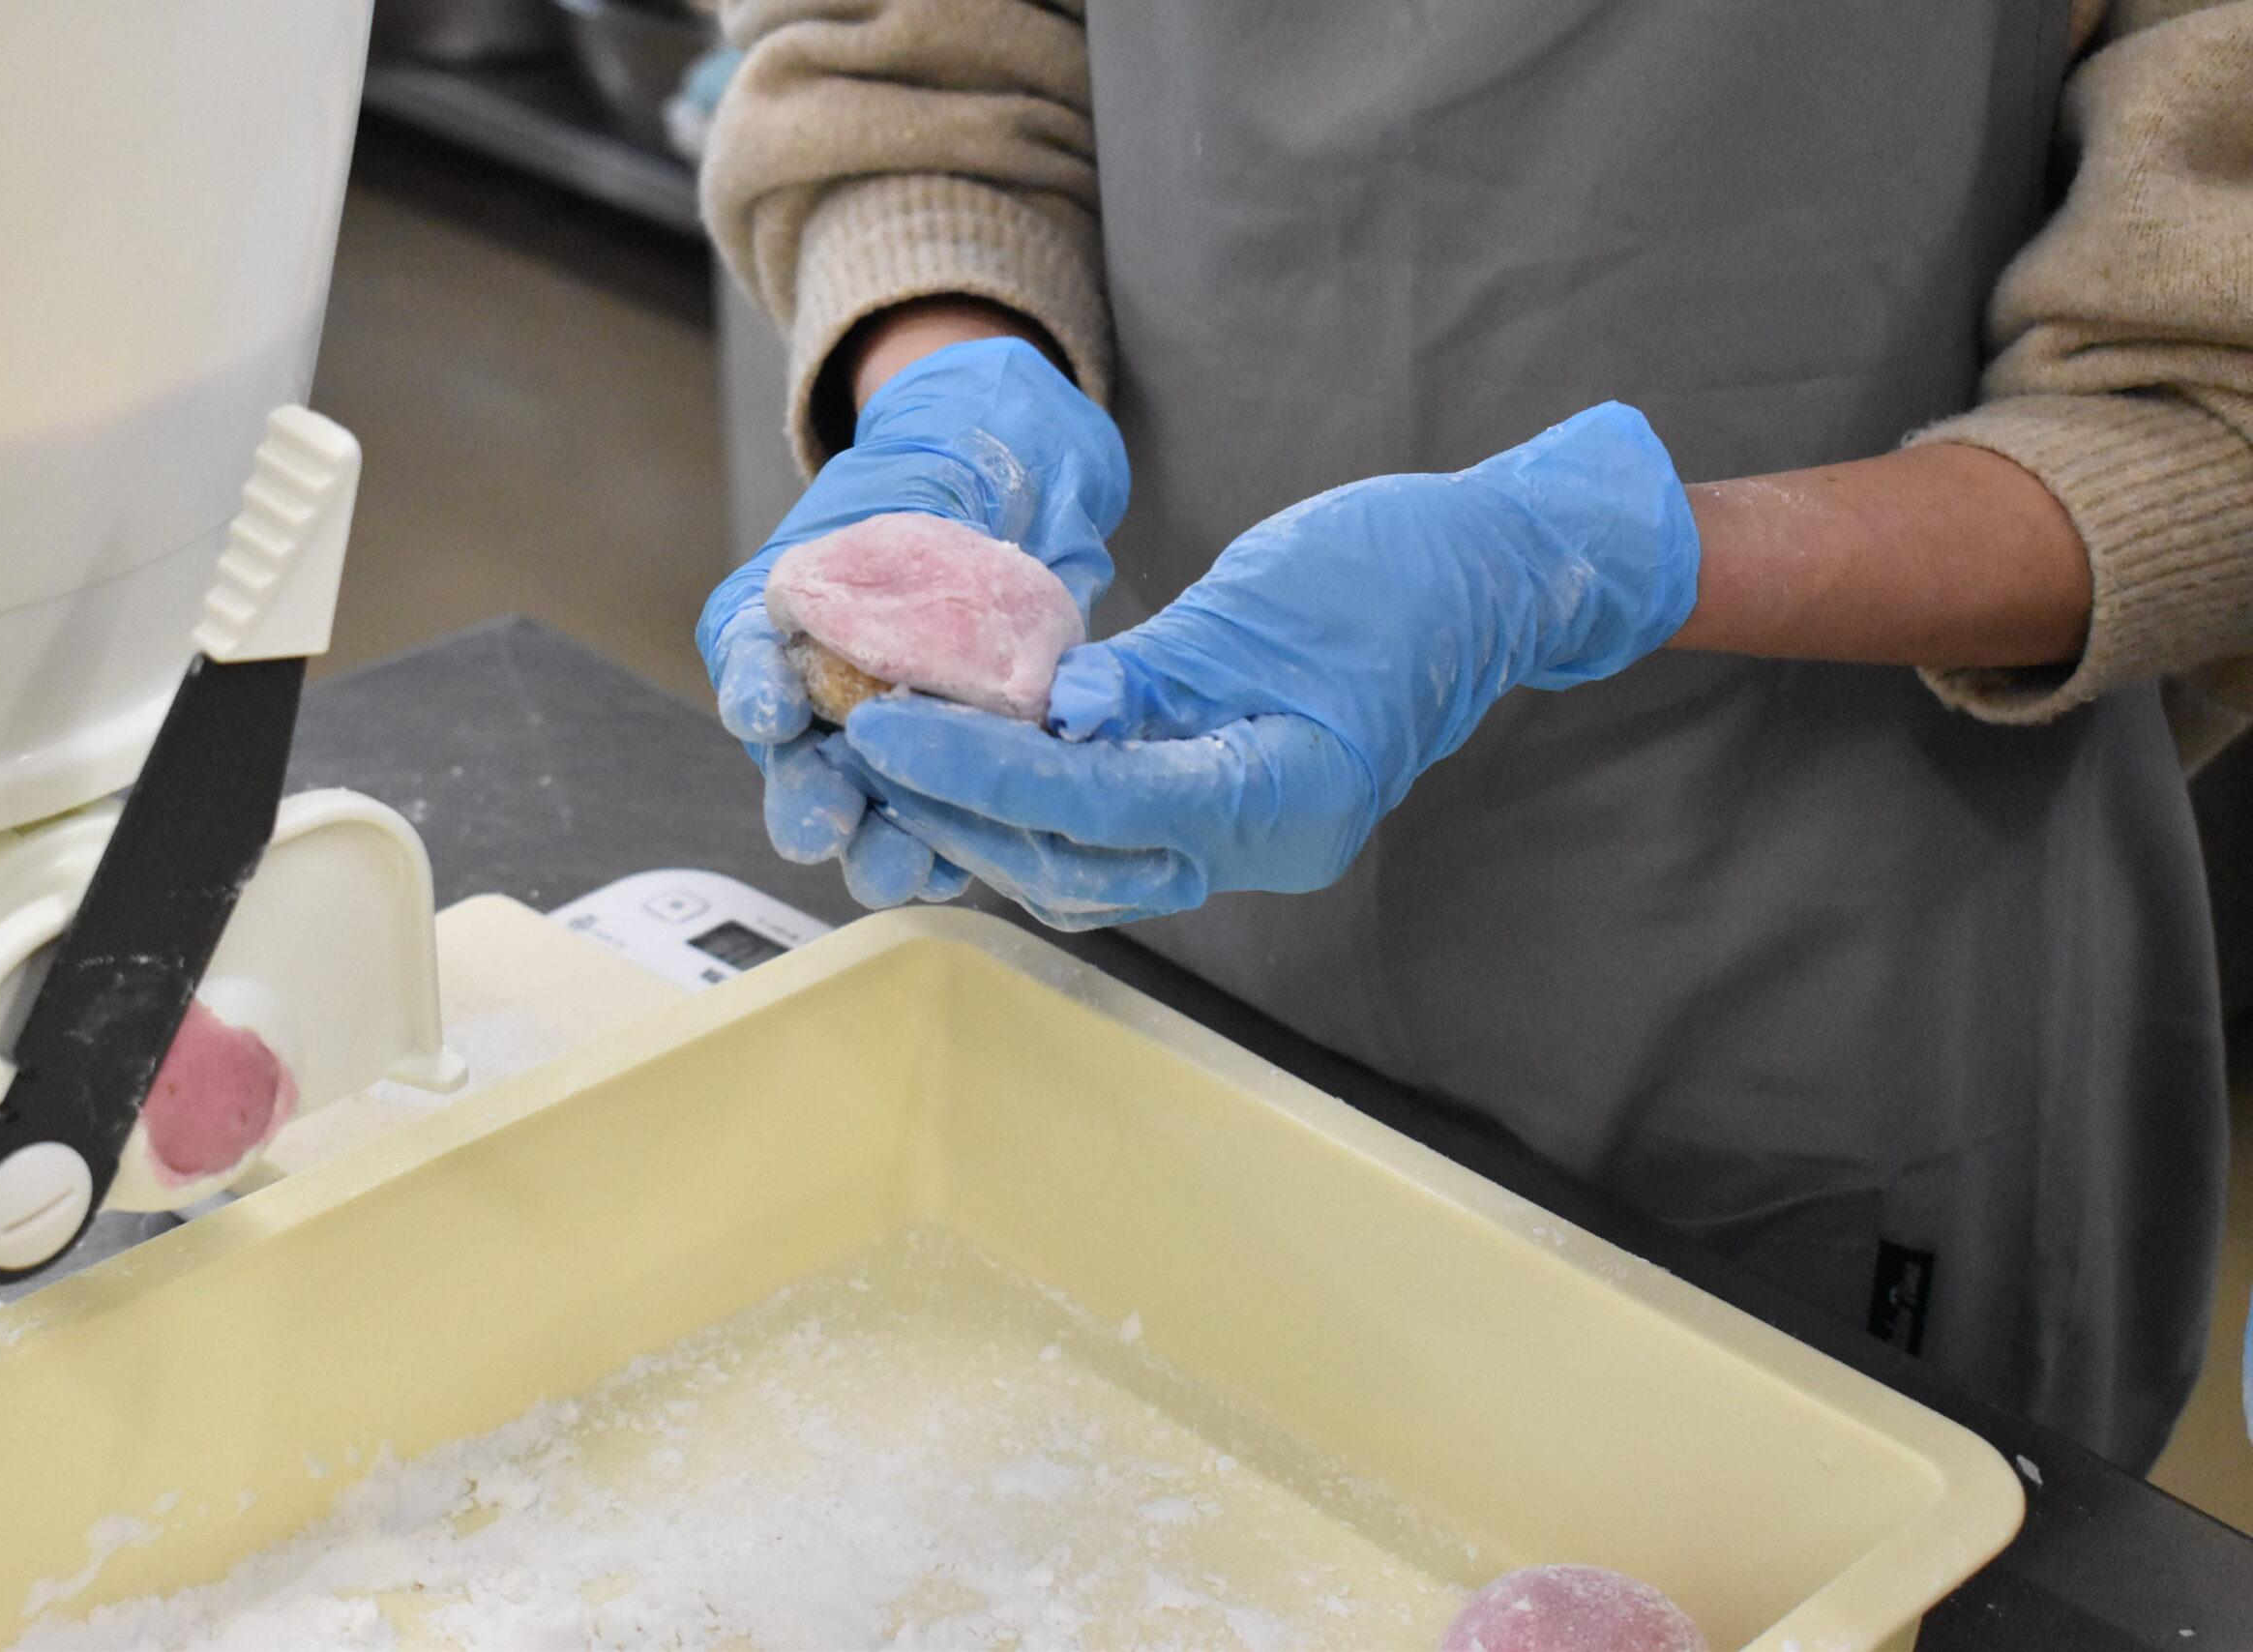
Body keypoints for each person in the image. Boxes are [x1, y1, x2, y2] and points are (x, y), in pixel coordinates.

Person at [694, 0, 2253, 1471]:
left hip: (1804, 979)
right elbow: (909, 69)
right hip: (1146, 836)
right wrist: (957, 375)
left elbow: (2210, 401)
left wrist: (1573, 564)